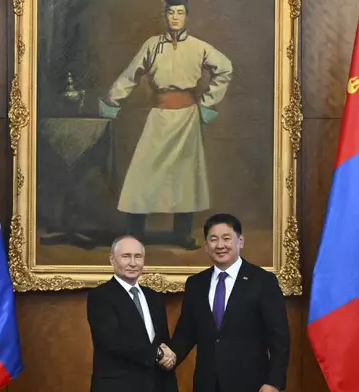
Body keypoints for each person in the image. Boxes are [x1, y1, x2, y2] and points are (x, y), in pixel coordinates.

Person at [100, 0, 233, 250]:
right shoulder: (152, 45)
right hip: (159, 116)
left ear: (186, 17)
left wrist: (207, 102)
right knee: (143, 172)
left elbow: (224, 69)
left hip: (187, 118)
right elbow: (132, 74)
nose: (175, 17)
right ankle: (134, 233)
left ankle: (181, 234)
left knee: (184, 176)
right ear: (165, 16)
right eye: (170, 12)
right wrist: (113, 100)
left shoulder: (199, 47)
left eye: (180, 12)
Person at [167, 213, 290, 392]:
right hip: (206, 384)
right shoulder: (196, 283)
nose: (220, 245)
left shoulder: (263, 281)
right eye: (213, 239)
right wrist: (167, 357)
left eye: (226, 238)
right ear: (207, 245)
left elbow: (279, 339)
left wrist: (274, 382)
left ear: (240, 241)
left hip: (251, 384)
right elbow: (185, 334)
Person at [86, 235, 178, 392]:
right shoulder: (100, 296)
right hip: (118, 386)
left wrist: (169, 356)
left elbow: (162, 341)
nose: (133, 263)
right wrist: (158, 353)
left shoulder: (154, 297)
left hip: (156, 384)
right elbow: (112, 341)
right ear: (112, 259)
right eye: (126, 256)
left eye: (138, 256)